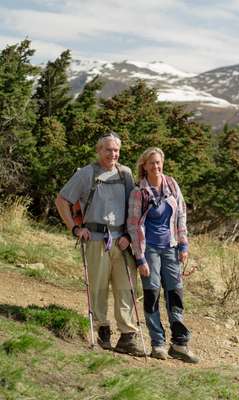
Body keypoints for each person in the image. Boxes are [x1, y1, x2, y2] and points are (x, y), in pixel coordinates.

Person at [55, 131, 144, 356]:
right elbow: (62, 200)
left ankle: (127, 336)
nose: (112, 154)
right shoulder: (86, 174)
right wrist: (75, 228)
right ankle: (102, 331)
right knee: (98, 288)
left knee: (126, 288)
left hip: (122, 241)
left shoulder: (125, 174)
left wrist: (128, 236)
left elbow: (132, 208)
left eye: (116, 150)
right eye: (108, 150)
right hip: (95, 239)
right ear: (98, 151)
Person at [127, 147, 199, 363]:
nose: (156, 167)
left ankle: (179, 343)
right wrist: (139, 257)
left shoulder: (171, 184)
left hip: (171, 248)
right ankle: (157, 343)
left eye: (158, 162)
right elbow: (133, 226)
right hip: (149, 250)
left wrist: (184, 245)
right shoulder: (139, 191)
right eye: (151, 163)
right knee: (152, 295)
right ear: (144, 166)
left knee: (175, 294)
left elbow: (181, 215)